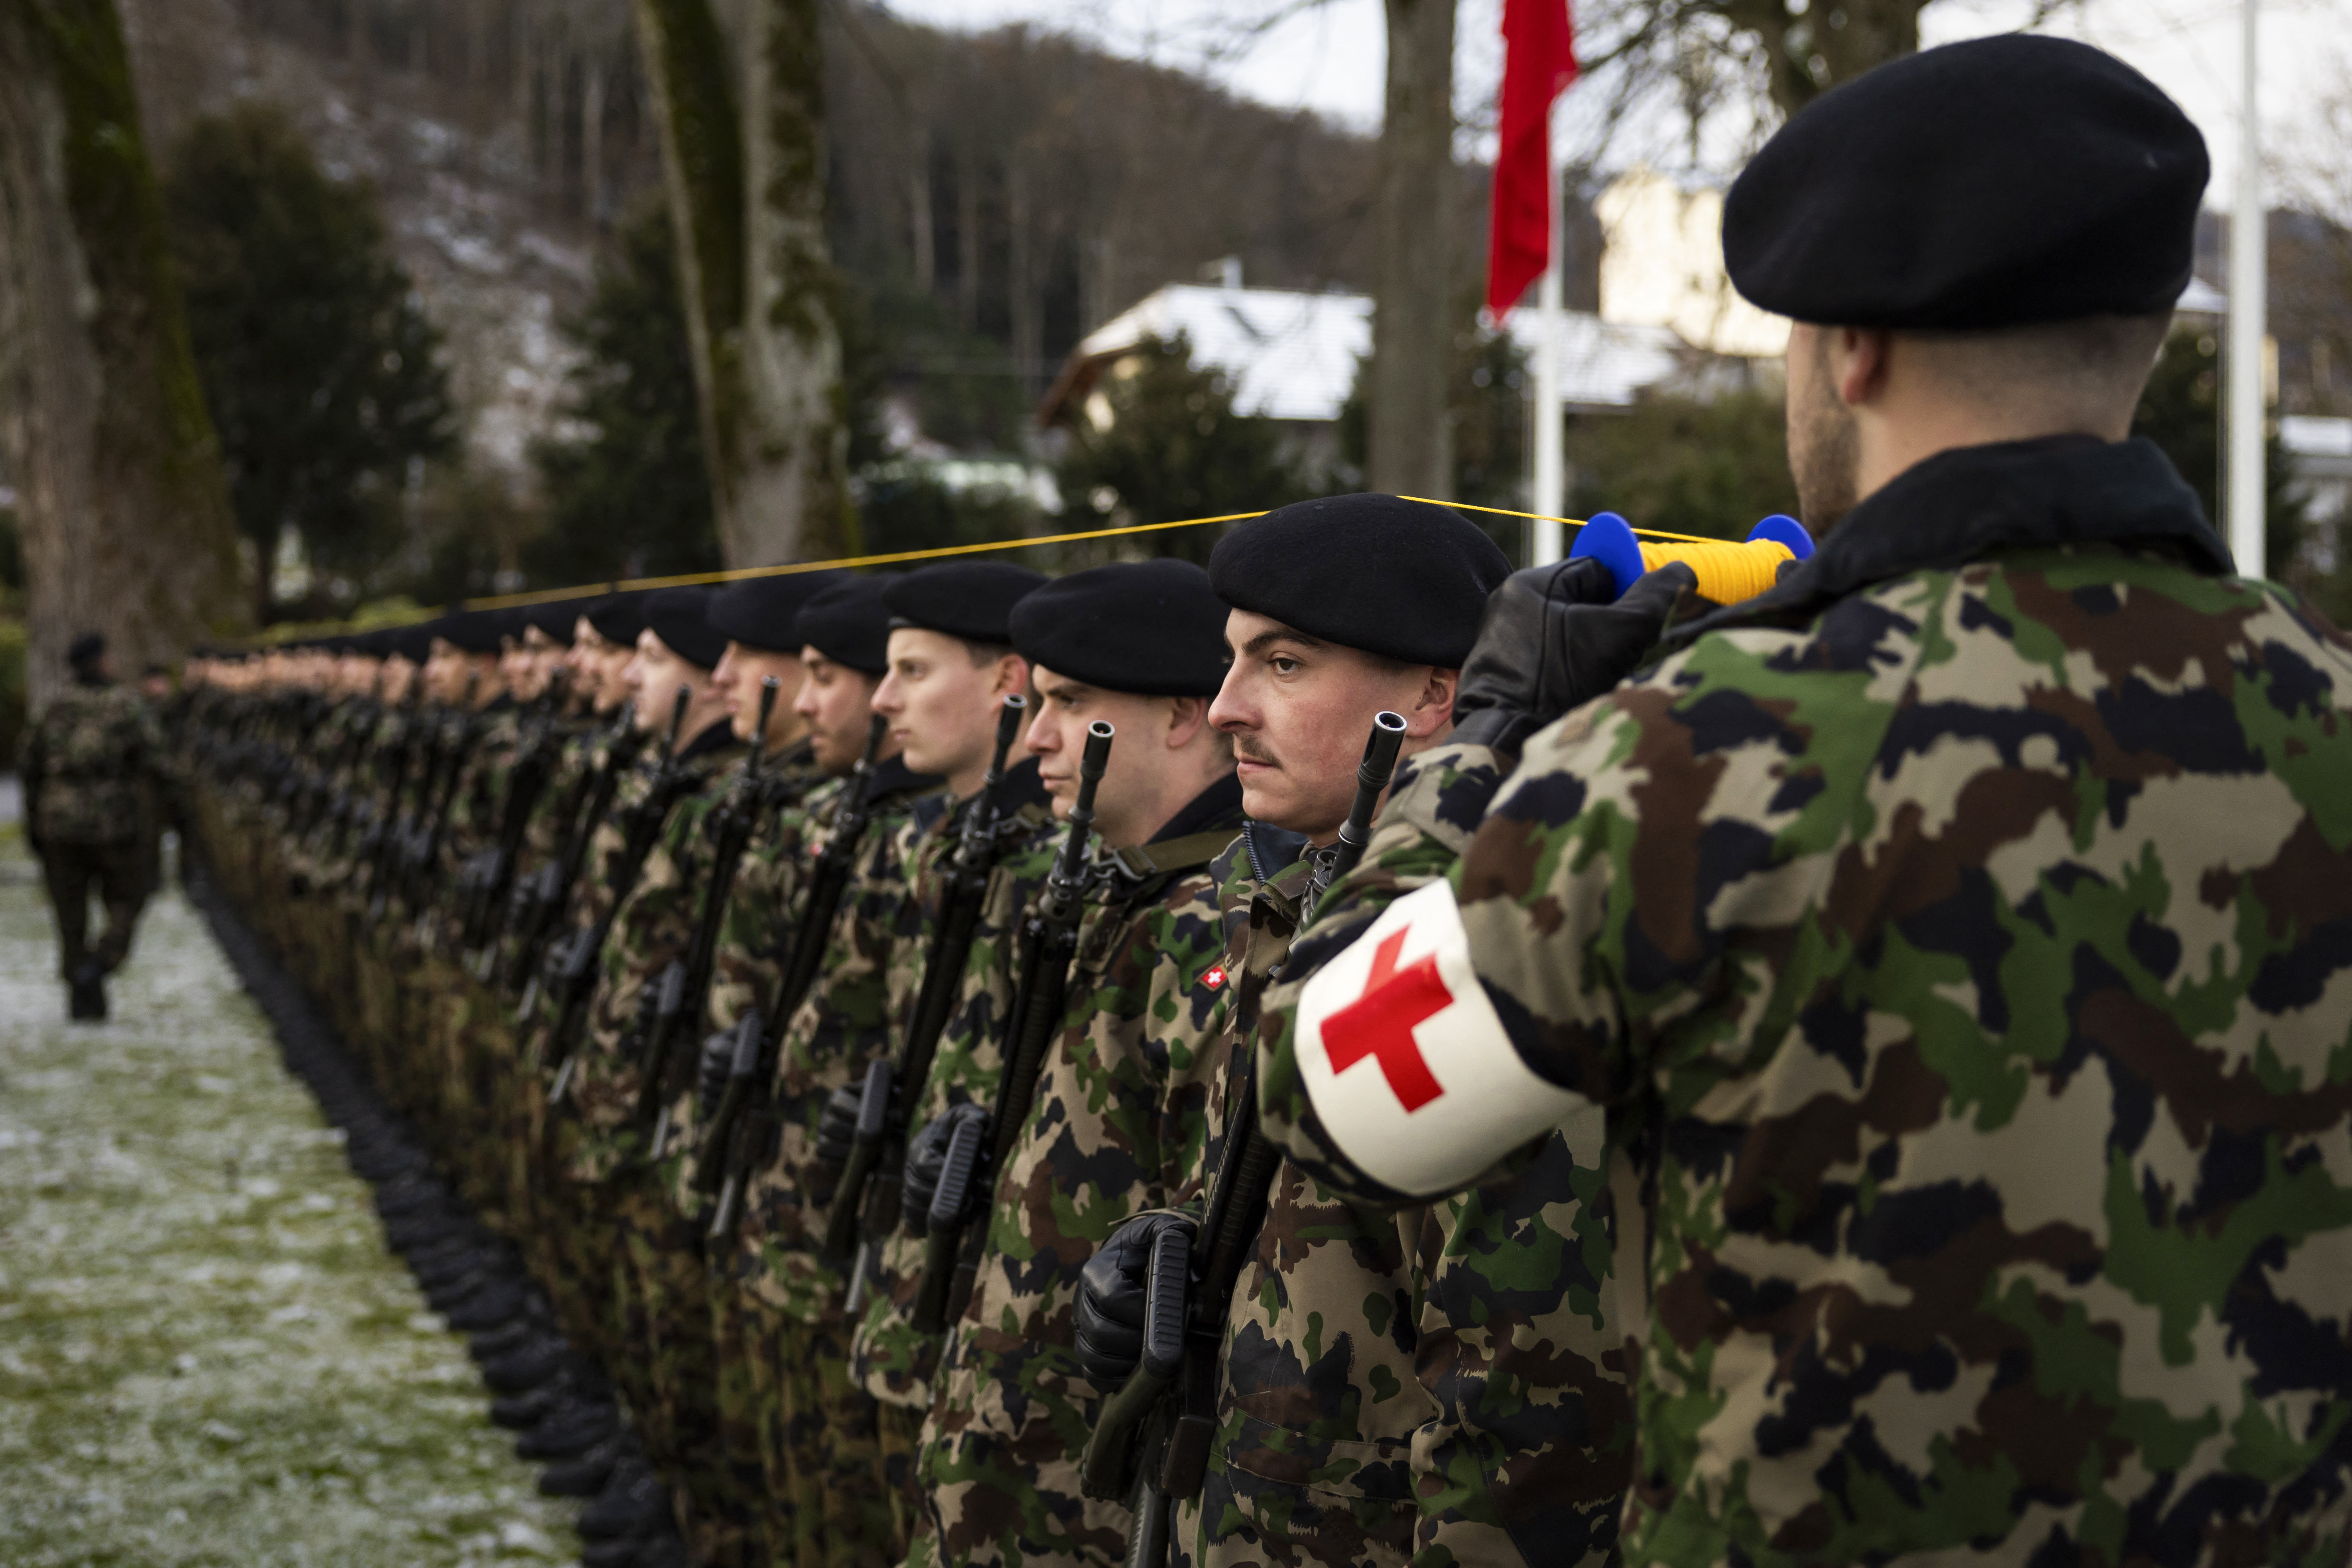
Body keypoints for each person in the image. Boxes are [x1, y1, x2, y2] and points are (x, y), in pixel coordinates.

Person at [1257, 35, 2352, 1567]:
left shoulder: (1704, 754)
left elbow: (1332, 1098)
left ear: (1850, 351)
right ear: (2138, 348)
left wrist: (1483, 748)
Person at [899, 558, 1248, 1568]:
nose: (1035, 737)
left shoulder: (1211, 929)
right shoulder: (1123, 895)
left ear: (1180, 715)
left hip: (1087, 1497)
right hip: (1015, 1458)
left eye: (1070, 702)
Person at [23, 630, 172, 1021]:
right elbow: (158, 760)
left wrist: (35, 823)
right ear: (102, 661)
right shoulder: (127, 705)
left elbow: (30, 767)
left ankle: (82, 996)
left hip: (59, 822)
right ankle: (101, 963)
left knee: (69, 915)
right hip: (114, 823)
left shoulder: (53, 707)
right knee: (129, 899)